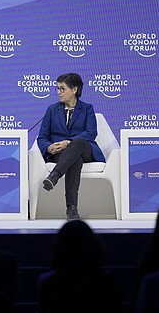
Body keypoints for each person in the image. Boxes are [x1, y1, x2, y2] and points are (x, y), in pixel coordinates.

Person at [37, 72, 105, 221]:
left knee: (78, 142)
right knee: (75, 160)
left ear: (74, 90)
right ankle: (71, 209)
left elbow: (91, 133)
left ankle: (55, 175)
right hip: (60, 153)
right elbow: (42, 137)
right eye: (58, 88)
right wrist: (49, 147)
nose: (58, 92)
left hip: (84, 149)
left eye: (62, 88)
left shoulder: (87, 108)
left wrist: (68, 142)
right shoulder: (52, 109)